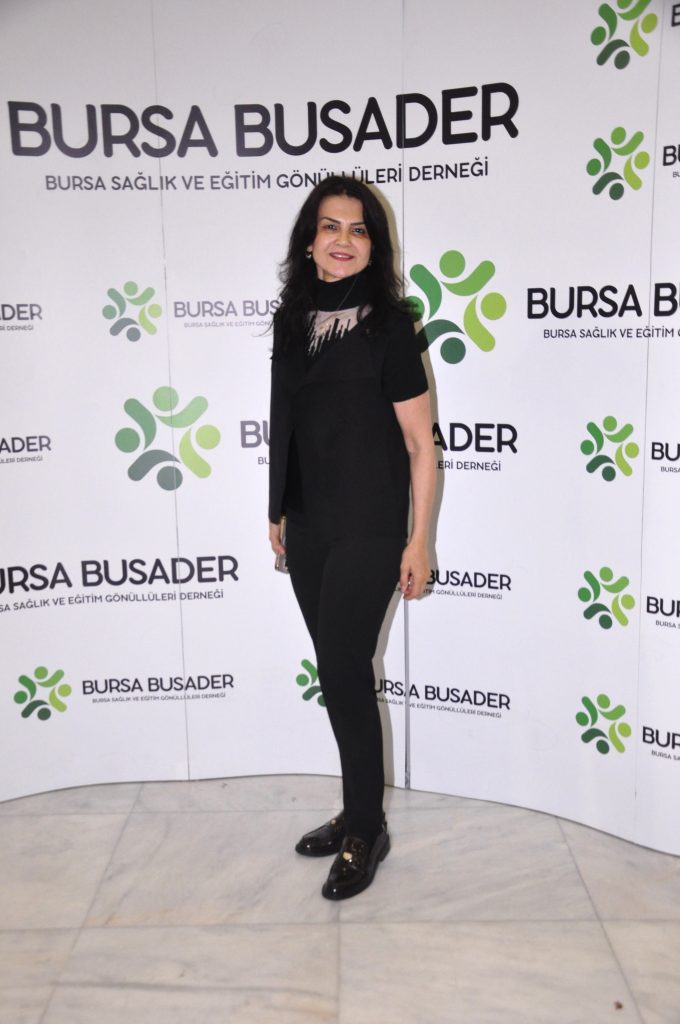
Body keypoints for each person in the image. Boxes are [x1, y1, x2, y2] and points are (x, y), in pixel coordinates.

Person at [268, 175, 435, 900]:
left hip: (369, 526)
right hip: (308, 524)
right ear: (310, 241)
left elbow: (421, 445)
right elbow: (284, 419)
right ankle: (357, 808)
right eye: (331, 227)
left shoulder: (390, 326)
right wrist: (277, 509)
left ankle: (366, 829)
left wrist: (418, 541)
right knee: (337, 678)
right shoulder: (291, 319)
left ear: (375, 245)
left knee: (343, 670)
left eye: (359, 229)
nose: (344, 240)